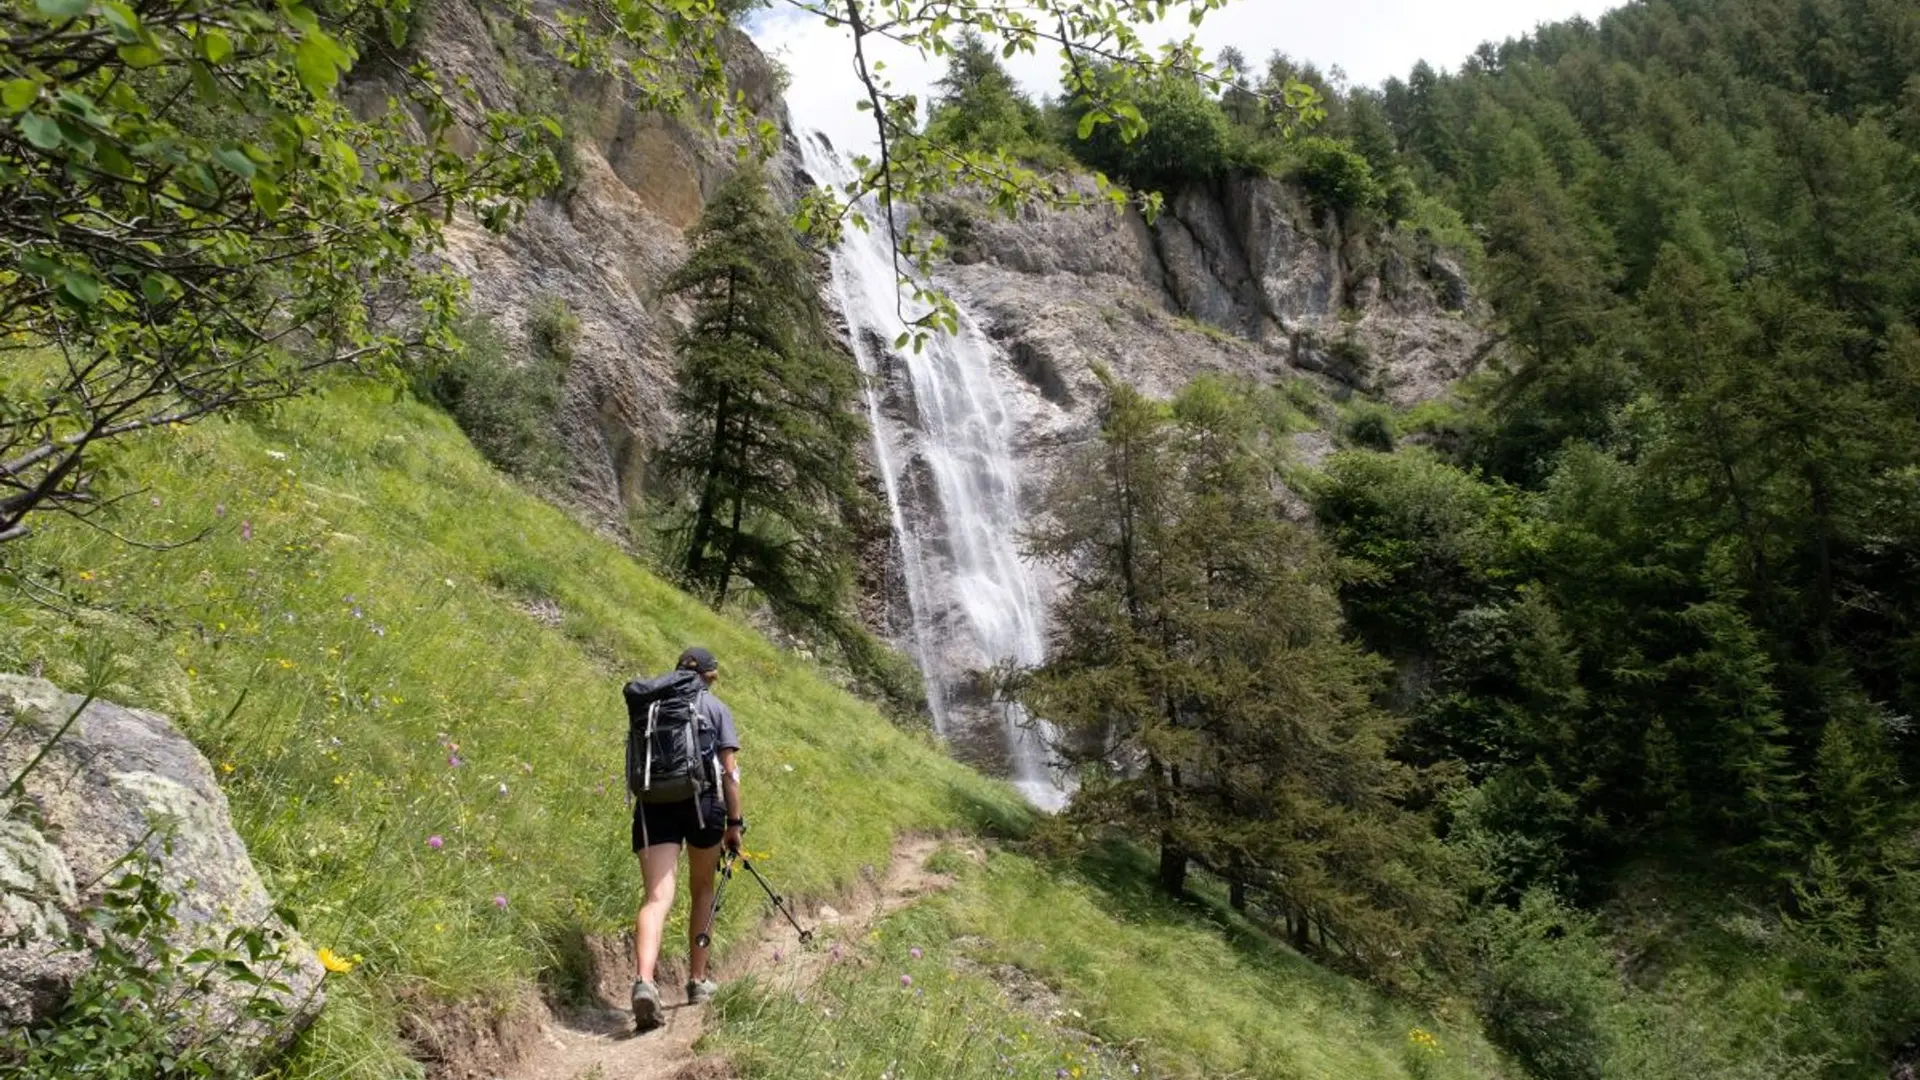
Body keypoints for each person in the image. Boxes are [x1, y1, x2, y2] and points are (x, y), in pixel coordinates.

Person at [630, 645, 743, 1032]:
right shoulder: (715, 708)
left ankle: (644, 981)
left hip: (653, 805)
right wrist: (734, 823)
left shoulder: (651, 705)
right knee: (703, 889)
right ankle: (697, 980)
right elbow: (729, 773)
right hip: (702, 805)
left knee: (656, 898)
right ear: (710, 677)